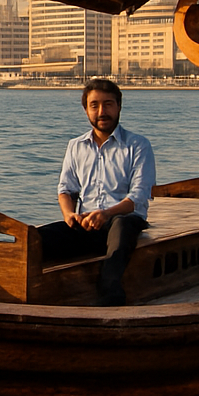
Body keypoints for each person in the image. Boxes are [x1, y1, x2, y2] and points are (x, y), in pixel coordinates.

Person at [39, 78, 155, 306]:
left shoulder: (138, 145)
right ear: (86, 110)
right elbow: (66, 189)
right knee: (39, 236)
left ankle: (110, 296)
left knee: (121, 227)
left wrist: (107, 214)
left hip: (123, 219)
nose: (102, 111)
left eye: (108, 104)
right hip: (87, 223)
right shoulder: (76, 146)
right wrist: (69, 215)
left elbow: (138, 196)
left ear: (119, 107)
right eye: (95, 105)